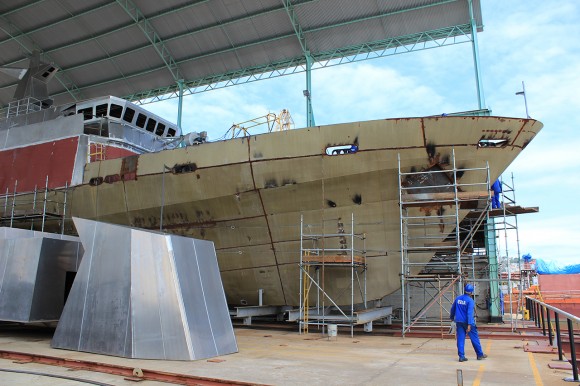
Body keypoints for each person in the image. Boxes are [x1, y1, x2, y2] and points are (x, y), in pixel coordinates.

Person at [450, 283, 487, 362]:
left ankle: (461, 356)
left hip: (459, 322)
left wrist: (451, 318)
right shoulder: (470, 301)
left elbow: (452, 309)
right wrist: (469, 324)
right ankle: (480, 354)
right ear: (471, 292)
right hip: (468, 322)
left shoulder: (458, 298)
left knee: (460, 338)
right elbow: (469, 313)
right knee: (474, 338)